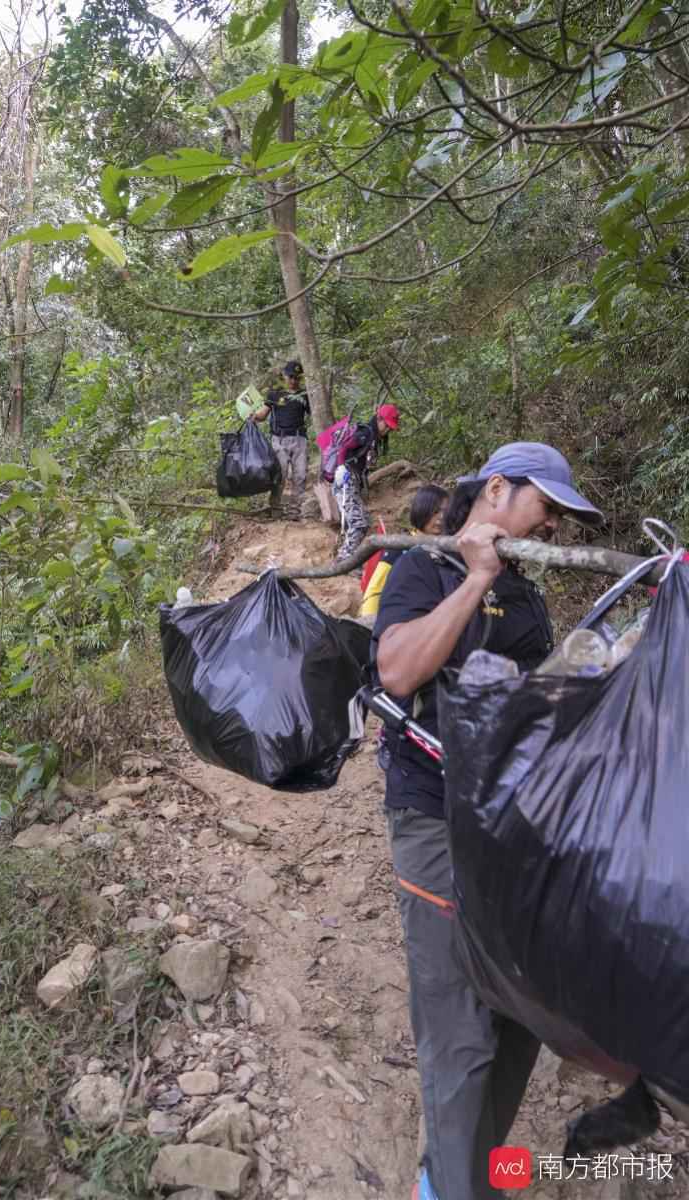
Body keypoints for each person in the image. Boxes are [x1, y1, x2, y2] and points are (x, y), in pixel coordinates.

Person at [372, 443, 604, 1200]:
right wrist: (476, 577)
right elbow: (400, 671)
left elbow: (541, 703)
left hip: (514, 829)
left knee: (522, 1016)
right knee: (459, 1028)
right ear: (497, 491)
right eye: (547, 505)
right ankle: (448, 1188)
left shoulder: (529, 596)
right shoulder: (424, 570)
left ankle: (456, 1171)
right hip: (435, 822)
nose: (554, 523)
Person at [359, 484, 450, 621]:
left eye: (445, 512)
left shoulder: (449, 550)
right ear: (422, 510)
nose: (441, 517)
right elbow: (375, 592)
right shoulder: (399, 549)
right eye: (435, 511)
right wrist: (369, 625)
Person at [333, 403, 400, 561]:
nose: (388, 430)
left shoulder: (374, 438)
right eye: (387, 425)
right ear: (379, 419)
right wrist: (341, 467)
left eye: (391, 427)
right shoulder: (365, 433)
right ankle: (343, 560)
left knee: (364, 520)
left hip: (354, 483)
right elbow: (343, 447)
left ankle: (348, 556)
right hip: (345, 480)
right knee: (359, 523)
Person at [251, 360, 310, 520]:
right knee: (280, 474)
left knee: (300, 475)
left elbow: (315, 413)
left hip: (299, 439)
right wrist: (255, 416)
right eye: (291, 377)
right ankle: (275, 508)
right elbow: (263, 413)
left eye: (297, 378)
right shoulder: (274, 394)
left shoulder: (305, 395)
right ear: (284, 376)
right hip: (279, 439)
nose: (293, 381)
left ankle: (294, 511)